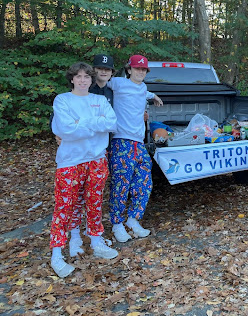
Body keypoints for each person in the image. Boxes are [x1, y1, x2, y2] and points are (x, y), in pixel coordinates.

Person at [50, 62, 118, 278]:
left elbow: (112, 124)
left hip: (97, 159)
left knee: (94, 202)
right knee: (65, 206)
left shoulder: (99, 100)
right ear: (71, 79)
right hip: (70, 161)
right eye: (78, 76)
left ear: (91, 79)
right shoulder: (62, 100)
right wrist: (95, 124)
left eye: (86, 77)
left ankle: (97, 241)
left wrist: (82, 123)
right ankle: (58, 253)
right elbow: (66, 130)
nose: (82, 80)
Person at [108, 54, 163, 243]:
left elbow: (143, 93)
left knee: (144, 182)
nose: (140, 72)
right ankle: (117, 224)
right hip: (121, 141)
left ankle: (133, 220)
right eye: (137, 68)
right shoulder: (117, 83)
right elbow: (98, 85)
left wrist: (154, 96)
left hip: (138, 144)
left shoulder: (144, 87)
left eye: (143, 69)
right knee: (121, 184)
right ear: (129, 69)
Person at [67, 54, 116, 258]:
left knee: (95, 198)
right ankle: (75, 237)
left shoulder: (112, 91)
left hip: (100, 152)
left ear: (113, 73)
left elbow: (111, 121)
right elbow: (64, 125)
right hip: (77, 154)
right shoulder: (79, 92)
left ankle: (95, 237)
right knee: (75, 198)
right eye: (99, 68)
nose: (103, 72)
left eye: (107, 69)